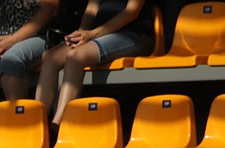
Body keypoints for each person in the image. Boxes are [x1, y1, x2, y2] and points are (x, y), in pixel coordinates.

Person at [35, 0, 154, 139]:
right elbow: (92, 7)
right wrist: (81, 32)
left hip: (133, 34)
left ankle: (58, 126)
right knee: (50, 57)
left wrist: (92, 34)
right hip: (97, 35)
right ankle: (37, 122)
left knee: (75, 56)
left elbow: (131, 12)